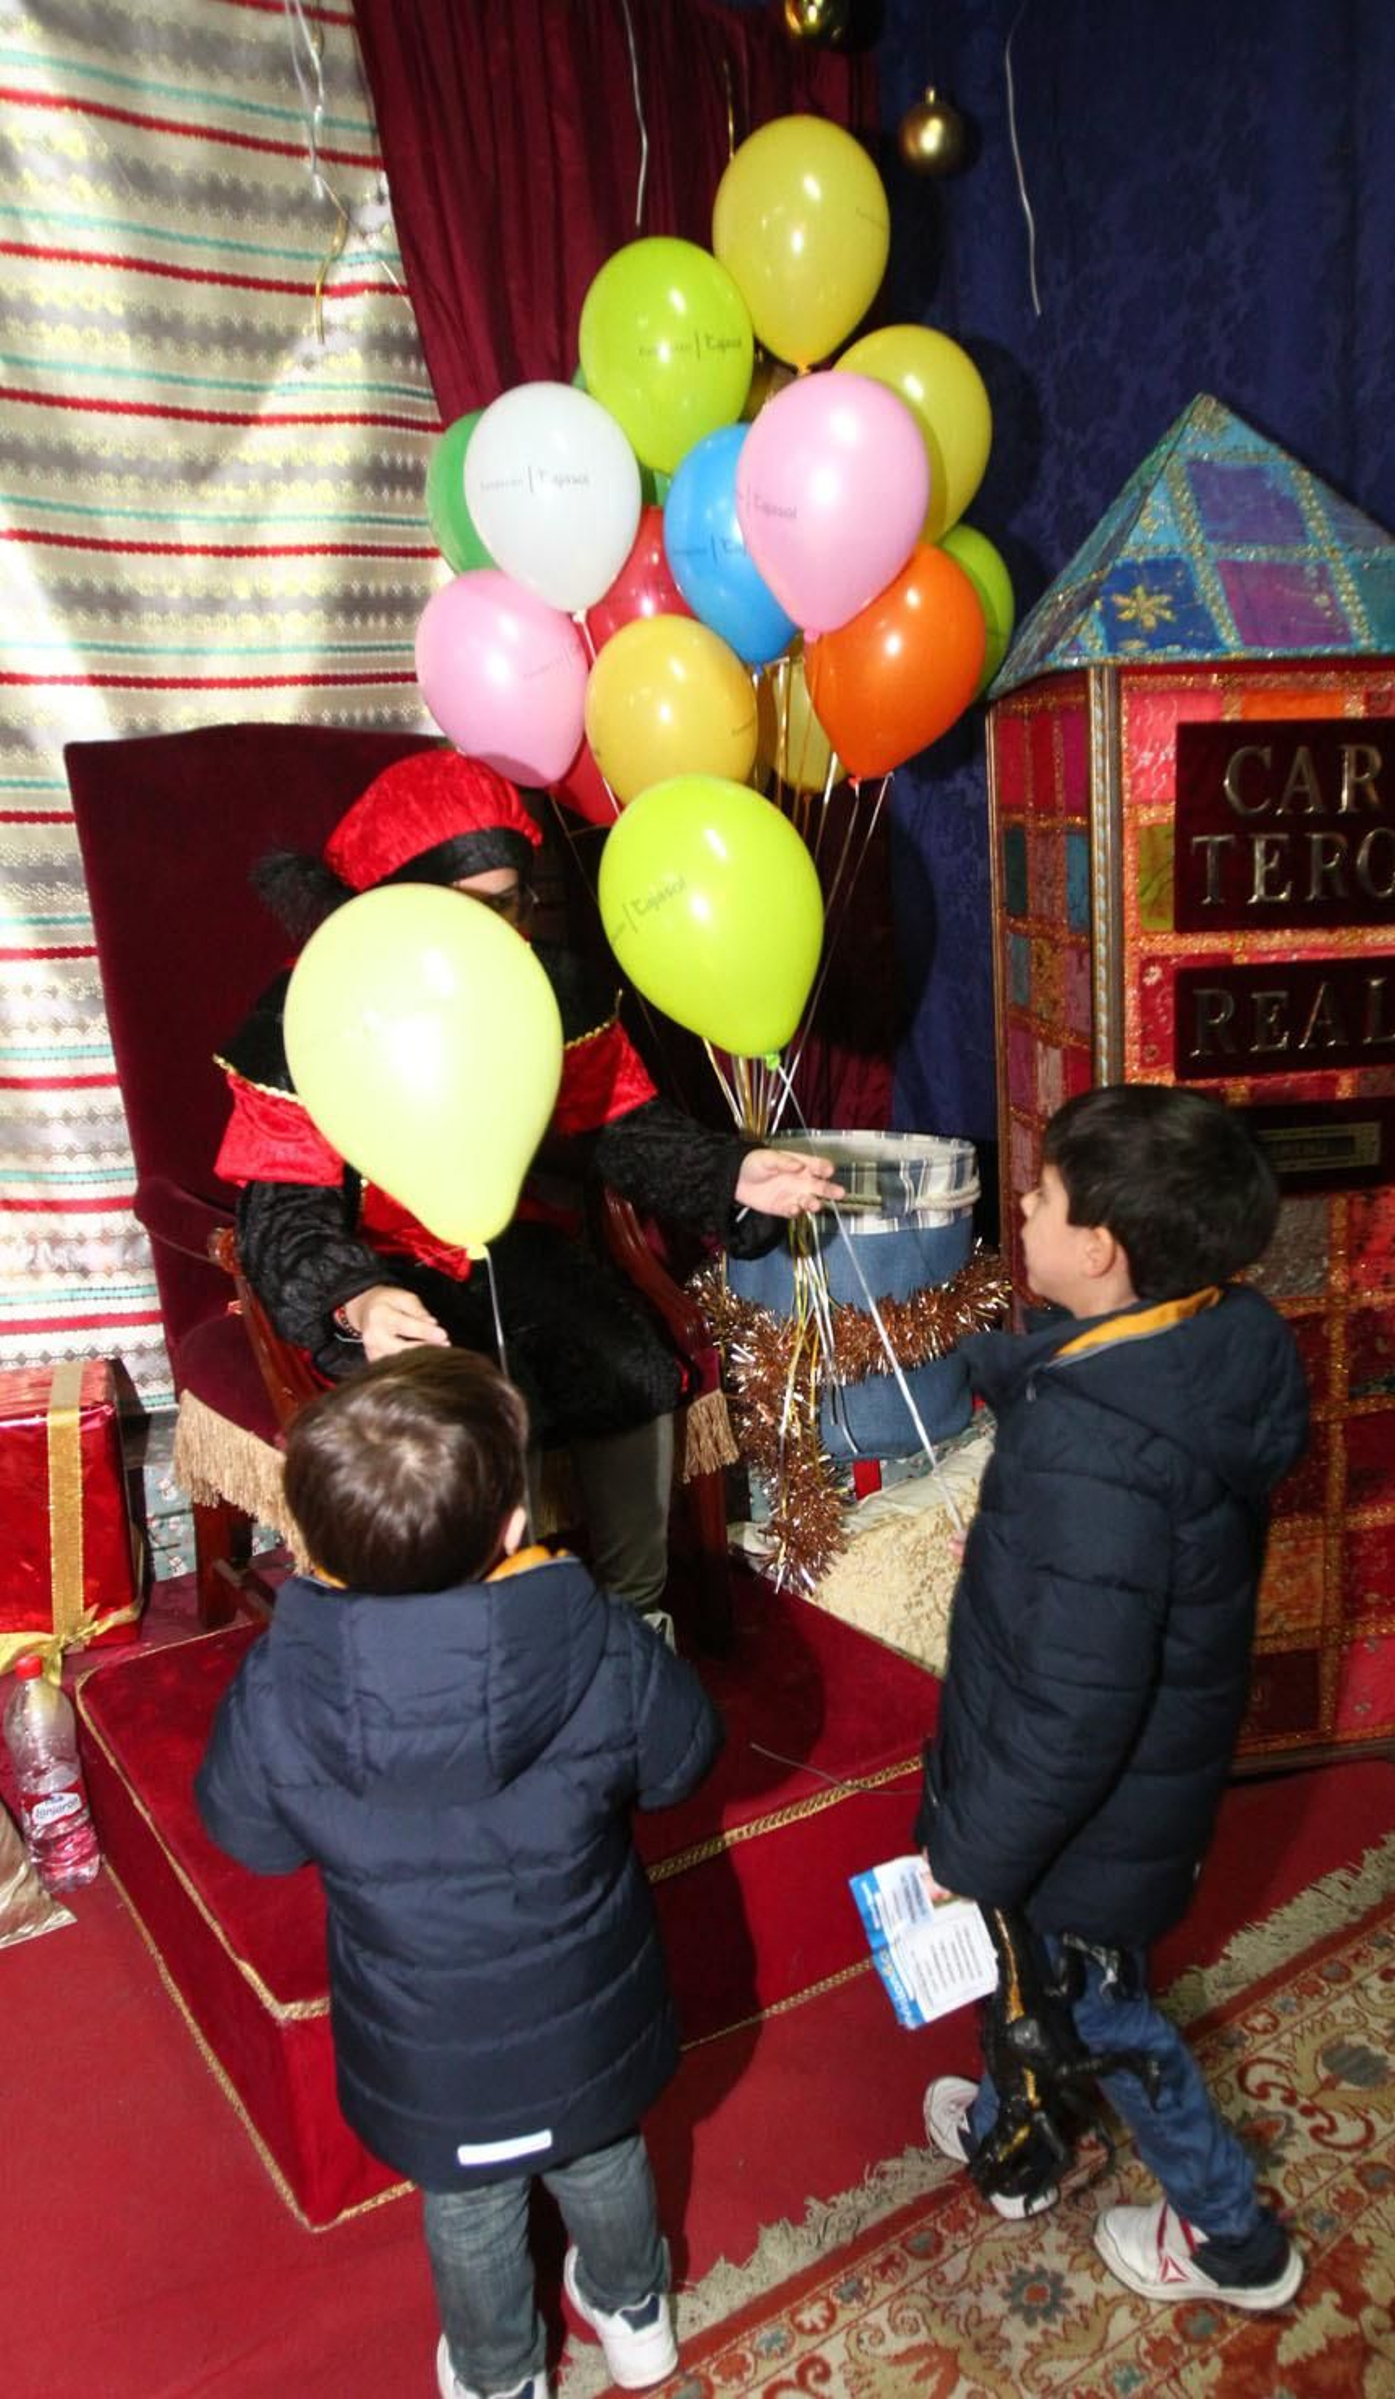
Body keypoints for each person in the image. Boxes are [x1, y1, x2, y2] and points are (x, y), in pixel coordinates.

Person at [214, 746, 841, 1630]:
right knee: (464, 1423)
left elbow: (625, 1127)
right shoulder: (314, 1009)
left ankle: (632, 1623)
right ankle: (492, 1642)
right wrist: (355, 1298)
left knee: (626, 1364)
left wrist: (735, 1170)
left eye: (511, 901)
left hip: (506, 1242)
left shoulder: (546, 983)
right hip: (382, 1276)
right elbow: (281, 1212)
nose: (498, 933)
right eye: (471, 909)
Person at [197, 1345, 720, 2399]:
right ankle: (634, 2312)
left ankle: (498, 2373)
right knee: (601, 2149)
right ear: (515, 1527)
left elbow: (249, 1836)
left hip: (425, 2036)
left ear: (315, 1551)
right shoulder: (594, 1634)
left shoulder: (283, 1681)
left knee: (471, 2198)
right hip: (585, 2009)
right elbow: (681, 1758)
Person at [917, 1083, 1310, 2310]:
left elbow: (1068, 1704)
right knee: (1032, 1969)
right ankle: (1016, 2136)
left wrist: (970, 1848)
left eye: (1034, 1196)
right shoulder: (1214, 1334)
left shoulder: (1091, 1454)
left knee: (1105, 2013)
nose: (1018, 1209)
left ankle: (1231, 2237)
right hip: (1119, 1786)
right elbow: (1096, 1379)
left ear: (1097, 1249)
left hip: (1087, 1813)